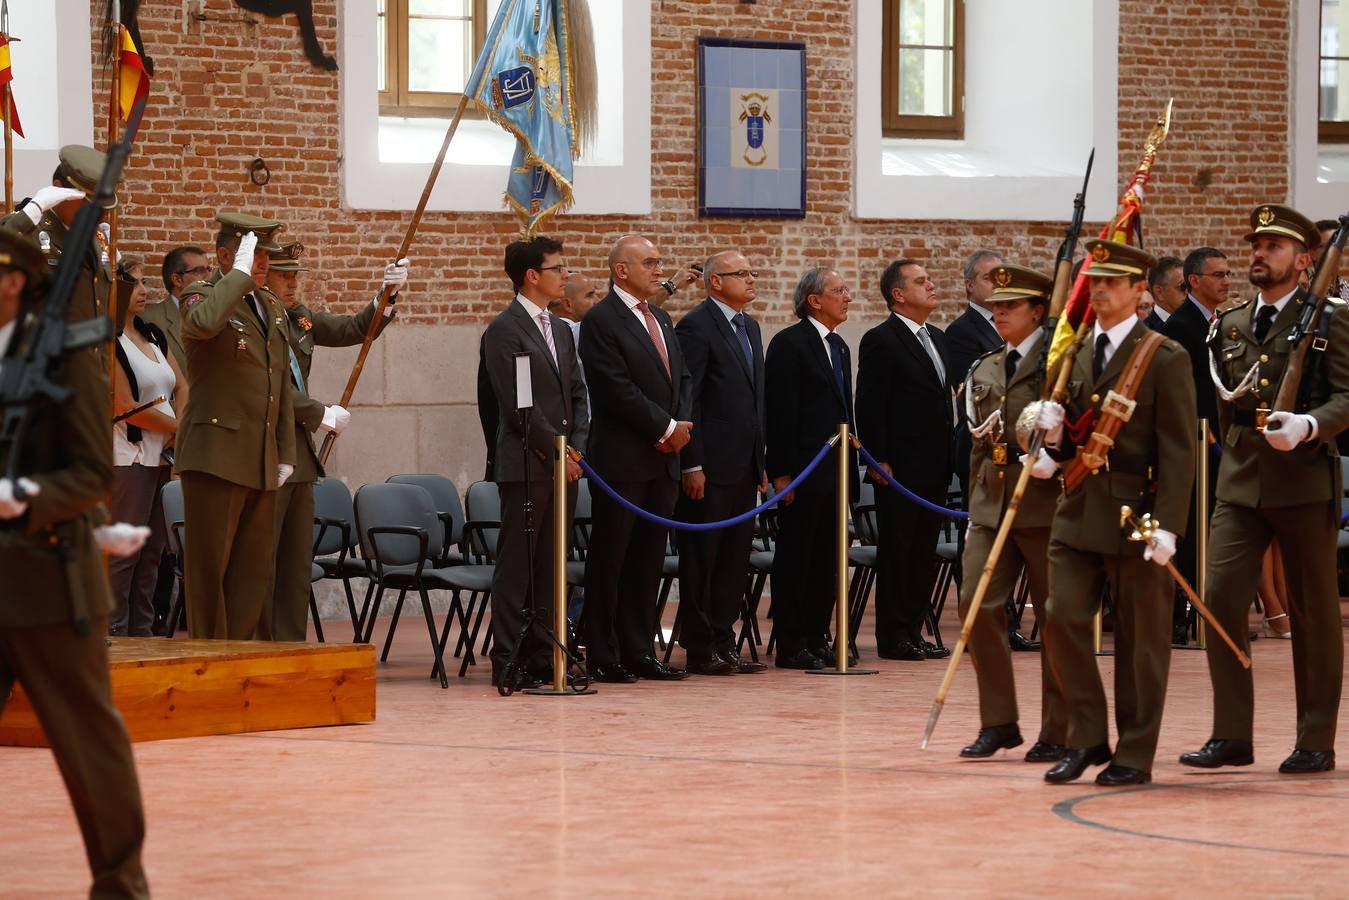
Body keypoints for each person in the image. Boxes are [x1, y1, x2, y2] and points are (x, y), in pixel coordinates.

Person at [0, 227, 150, 898]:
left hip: (49, 577)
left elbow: (93, 473)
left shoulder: (64, 359)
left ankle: (120, 883)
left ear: (12, 281)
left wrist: (24, 496)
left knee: (88, 743)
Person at [1180, 204, 1349, 775]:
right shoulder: (1227, 324)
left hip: (1303, 483)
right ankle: (1232, 734)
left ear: (1304, 260)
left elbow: (1347, 397)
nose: (1258, 253)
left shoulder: (1331, 319)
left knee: (1314, 614)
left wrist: (1309, 425)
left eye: (1273, 246)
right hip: (1241, 484)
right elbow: (1227, 403)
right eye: (1255, 244)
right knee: (1220, 598)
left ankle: (1315, 739)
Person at [1039, 238, 1196, 786]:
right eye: (1094, 280)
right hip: (1079, 507)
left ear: (1138, 291)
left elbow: (1180, 449)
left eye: (1111, 282)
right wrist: (1053, 443)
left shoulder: (1164, 355)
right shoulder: (1076, 349)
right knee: (1060, 619)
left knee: (1142, 641)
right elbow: (1072, 431)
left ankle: (1134, 750)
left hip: (1139, 516)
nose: (1099, 289)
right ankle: (1086, 735)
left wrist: (1171, 526)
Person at [260, 241, 404, 641]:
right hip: (263, 450)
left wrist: (384, 296)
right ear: (261, 274)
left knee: (294, 562)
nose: (292, 284)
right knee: (263, 560)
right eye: (283, 275)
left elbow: (356, 329)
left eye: (295, 276)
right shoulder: (252, 320)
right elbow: (265, 386)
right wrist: (317, 413)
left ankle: (289, 645)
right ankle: (258, 645)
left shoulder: (300, 318)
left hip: (299, 454)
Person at [954, 263, 1067, 762]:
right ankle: (998, 720)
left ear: (1038, 311)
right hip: (993, 506)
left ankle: (1058, 728)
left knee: (1057, 619)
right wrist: (978, 499)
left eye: (1010, 306)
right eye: (995, 306)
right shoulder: (985, 366)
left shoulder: (1063, 363)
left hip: (1048, 507)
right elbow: (980, 444)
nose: (998, 314)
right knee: (975, 605)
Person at [578, 235, 692, 683]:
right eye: (649, 262)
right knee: (612, 558)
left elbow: (681, 377)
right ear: (621, 271)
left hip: (664, 460)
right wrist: (664, 428)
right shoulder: (601, 320)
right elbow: (613, 386)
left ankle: (640, 648)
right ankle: (604, 653)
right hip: (623, 459)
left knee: (648, 559)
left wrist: (682, 425)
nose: (658, 268)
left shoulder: (661, 317)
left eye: (659, 261)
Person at [177, 213, 295, 640]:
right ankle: (208, 661)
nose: (262, 263)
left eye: (265, 254)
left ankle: (238, 661)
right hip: (215, 455)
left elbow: (277, 385)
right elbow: (203, 324)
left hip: (260, 457)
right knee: (210, 571)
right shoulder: (201, 295)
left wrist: (285, 451)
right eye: (253, 254)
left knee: (251, 572)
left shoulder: (272, 308)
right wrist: (238, 277)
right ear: (225, 255)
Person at [481, 236, 587, 688]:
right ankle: (508, 655)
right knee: (519, 564)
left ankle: (545, 652)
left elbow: (578, 395)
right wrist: (556, 450)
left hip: (565, 462)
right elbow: (520, 406)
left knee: (552, 563)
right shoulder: (505, 330)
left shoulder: (560, 329)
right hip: (527, 463)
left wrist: (576, 448)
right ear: (532, 276)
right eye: (557, 268)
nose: (565, 275)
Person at [674, 250, 768, 676]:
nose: (751, 279)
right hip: (709, 466)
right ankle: (698, 644)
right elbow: (688, 399)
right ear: (715, 282)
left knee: (733, 558)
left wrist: (760, 458)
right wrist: (692, 464)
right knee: (703, 557)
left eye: (752, 272)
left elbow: (755, 401)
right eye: (741, 274)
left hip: (743, 465)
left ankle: (723, 638)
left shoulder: (750, 326)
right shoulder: (696, 326)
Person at [855, 258, 953, 661]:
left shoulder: (939, 338)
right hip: (898, 466)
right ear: (898, 294)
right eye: (921, 281)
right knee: (899, 550)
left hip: (935, 463)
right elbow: (871, 403)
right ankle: (894, 636)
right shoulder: (881, 339)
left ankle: (915, 629)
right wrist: (879, 459)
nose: (931, 286)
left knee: (923, 552)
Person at [764, 266, 858, 669]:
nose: (848, 296)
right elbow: (781, 411)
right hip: (803, 470)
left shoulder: (839, 346)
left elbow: (844, 411)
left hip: (837, 468)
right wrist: (782, 472)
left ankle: (819, 636)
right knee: (798, 556)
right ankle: (791, 641)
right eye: (839, 290)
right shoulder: (790, 343)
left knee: (828, 558)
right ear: (814, 300)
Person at [109, 254, 186, 636]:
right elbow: (125, 407)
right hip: (128, 457)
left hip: (162, 455)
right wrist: (177, 427)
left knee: (154, 551)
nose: (144, 290)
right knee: (125, 552)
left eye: (143, 282)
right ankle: (113, 633)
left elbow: (181, 386)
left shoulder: (153, 333)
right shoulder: (107, 342)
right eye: (135, 283)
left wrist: (178, 427)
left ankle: (142, 632)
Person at [1162, 247, 1227, 644]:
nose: (1225, 281)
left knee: (1212, 530)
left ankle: (1206, 612)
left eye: (1228, 274)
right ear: (1195, 281)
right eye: (1218, 275)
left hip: (1219, 441)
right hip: (1195, 440)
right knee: (1189, 530)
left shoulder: (1223, 324)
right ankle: (1178, 616)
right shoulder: (1181, 327)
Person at [1, 145, 122, 328]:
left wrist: (118, 268)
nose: (100, 214)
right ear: (58, 190)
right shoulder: (26, 231)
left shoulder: (97, 240)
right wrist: (32, 211)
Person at [142, 244, 211, 374]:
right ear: (178, 280)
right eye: (200, 270)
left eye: (209, 269)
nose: (208, 276)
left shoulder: (218, 313)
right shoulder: (149, 320)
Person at [1144, 256, 1185, 329]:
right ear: (1159, 292)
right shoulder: (1145, 333)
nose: (1189, 292)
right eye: (1183, 286)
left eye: (1190, 286)